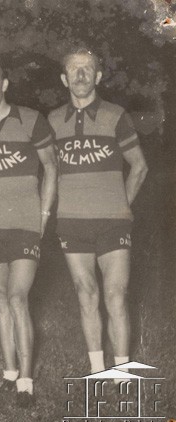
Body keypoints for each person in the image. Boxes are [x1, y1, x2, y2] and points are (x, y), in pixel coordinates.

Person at [48, 47, 147, 376]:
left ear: (98, 76)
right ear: (64, 79)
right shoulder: (52, 121)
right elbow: (49, 171)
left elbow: (139, 167)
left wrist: (121, 205)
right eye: (73, 69)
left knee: (115, 295)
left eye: (87, 69)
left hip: (112, 223)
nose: (80, 75)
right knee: (85, 293)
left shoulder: (116, 115)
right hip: (72, 223)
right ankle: (97, 368)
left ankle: (121, 371)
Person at [0, 56, 58, 407]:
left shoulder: (31, 120)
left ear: (4, 84)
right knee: (1, 297)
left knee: (18, 297)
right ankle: (8, 371)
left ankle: (26, 380)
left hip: (24, 224)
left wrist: (43, 216)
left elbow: (51, 168)